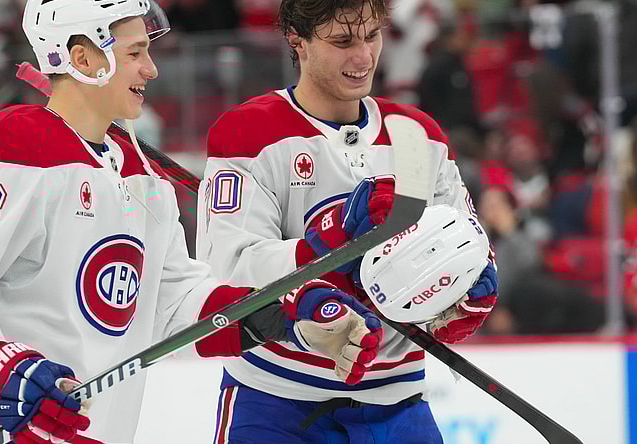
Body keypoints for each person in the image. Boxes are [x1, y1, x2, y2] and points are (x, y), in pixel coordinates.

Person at [0, 1, 384, 443]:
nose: (151, 69)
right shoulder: (13, 148)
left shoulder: (144, 178)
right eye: (135, 53)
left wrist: (284, 314)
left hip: (86, 431)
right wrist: (5, 374)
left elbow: (173, 302)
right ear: (82, 58)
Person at [195, 0, 499, 442]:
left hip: (397, 403)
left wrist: (460, 299)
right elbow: (226, 267)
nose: (363, 57)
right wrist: (324, 244)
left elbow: (468, 248)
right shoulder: (250, 132)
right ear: (297, 40)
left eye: (372, 36)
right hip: (277, 401)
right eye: (342, 41)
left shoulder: (416, 137)